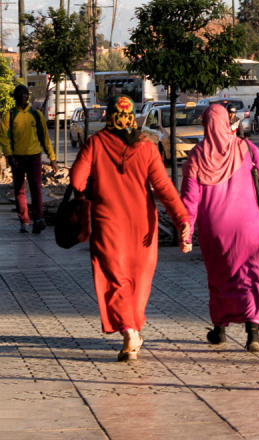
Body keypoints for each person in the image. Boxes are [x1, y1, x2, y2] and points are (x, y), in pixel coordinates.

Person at [70, 94, 192, 362]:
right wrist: (182, 219)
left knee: (115, 280)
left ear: (109, 115)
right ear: (132, 118)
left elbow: (77, 181)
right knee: (138, 281)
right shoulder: (146, 148)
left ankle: (129, 331)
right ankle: (133, 329)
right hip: (143, 226)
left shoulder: (96, 143)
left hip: (107, 223)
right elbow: (164, 188)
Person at [181, 103, 259, 353]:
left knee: (221, 279)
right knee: (254, 278)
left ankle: (219, 330)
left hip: (215, 230)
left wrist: (185, 231)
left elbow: (190, 201)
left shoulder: (197, 156)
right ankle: (253, 334)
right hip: (249, 226)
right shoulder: (246, 148)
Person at [0, 84, 59, 234]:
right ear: (15, 97)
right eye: (20, 94)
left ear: (28, 96)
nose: (23, 97)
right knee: (19, 190)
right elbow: (4, 138)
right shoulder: (10, 115)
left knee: (36, 189)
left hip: (34, 157)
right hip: (17, 158)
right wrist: (9, 155)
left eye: (25, 94)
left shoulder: (36, 114)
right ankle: (24, 220)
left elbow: (45, 138)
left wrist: (52, 158)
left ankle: (38, 219)